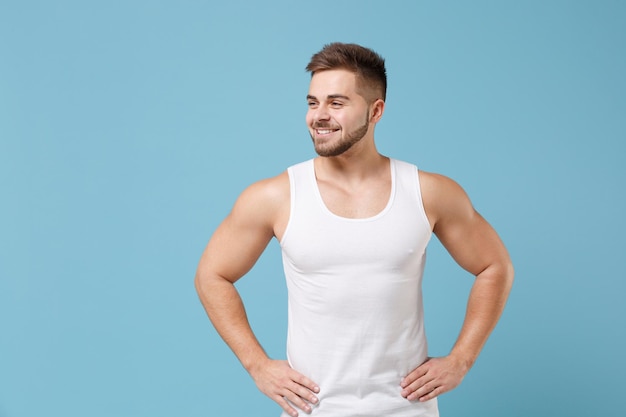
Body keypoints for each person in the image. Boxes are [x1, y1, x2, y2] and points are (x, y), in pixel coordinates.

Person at [195, 42, 514, 417]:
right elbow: (211, 275)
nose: (319, 116)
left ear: (375, 110)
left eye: (336, 103)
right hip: (314, 410)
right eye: (313, 103)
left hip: (407, 410)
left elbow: (495, 267)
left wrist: (462, 359)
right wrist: (257, 364)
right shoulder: (276, 196)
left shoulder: (428, 192)